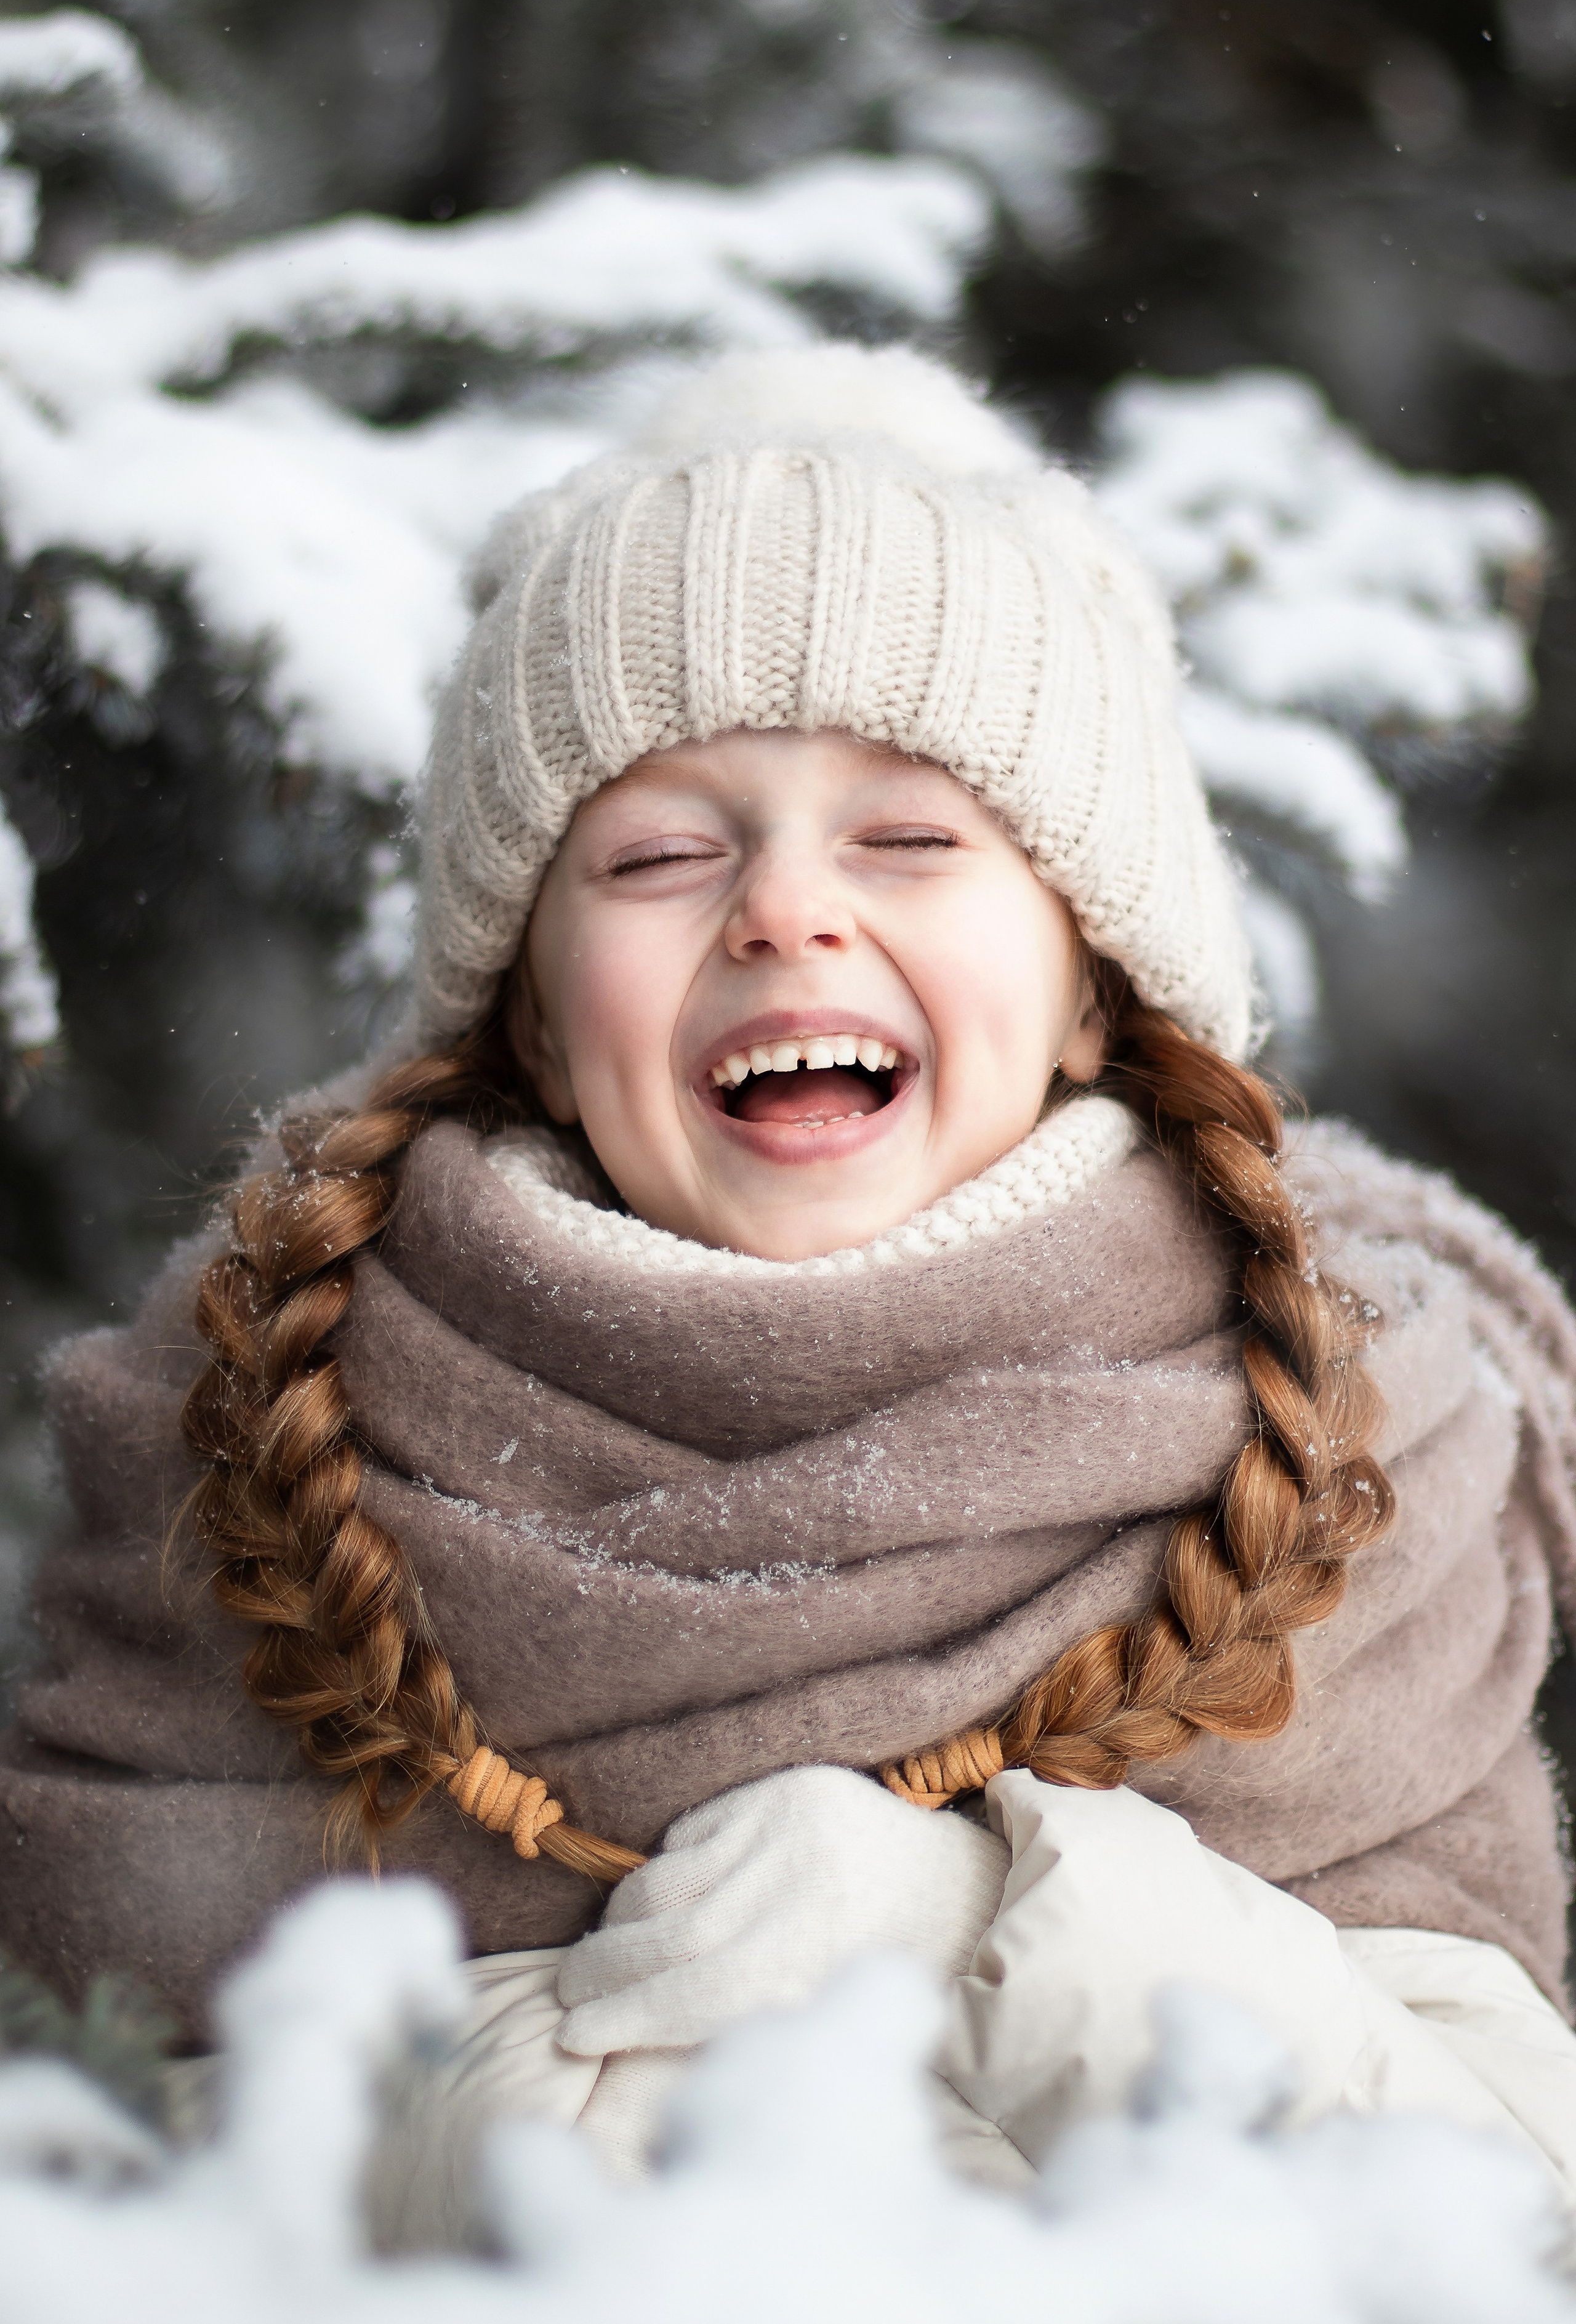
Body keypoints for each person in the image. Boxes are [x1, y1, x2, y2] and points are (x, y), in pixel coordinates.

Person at [5, 344, 1576, 2246]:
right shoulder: (259, 1435)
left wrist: (992, 1929)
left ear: (1095, 980)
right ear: (528, 1014)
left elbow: (1502, 2204)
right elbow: (91, 2164)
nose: (781, 910)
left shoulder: (1355, 1460)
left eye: (911, 836)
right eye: (661, 851)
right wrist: (628, 2058)